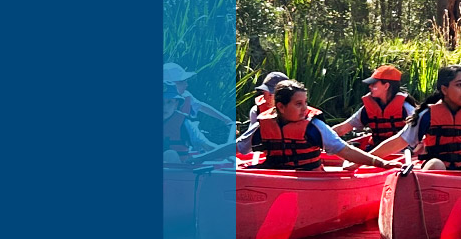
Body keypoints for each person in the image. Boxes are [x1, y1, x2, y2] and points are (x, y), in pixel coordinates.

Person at [237, 80, 399, 170]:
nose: (305, 108)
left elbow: (346, 150)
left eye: (305, 103)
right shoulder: (263, 124)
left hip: (308, 177)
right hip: (275, 174)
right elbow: (238, 148)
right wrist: (210, 158)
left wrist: (380, 163)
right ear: (280, 107)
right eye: (298, 104)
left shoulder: (314, 127)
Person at [332, 64, 415, 145]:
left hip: (402, 150)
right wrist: (322, 135)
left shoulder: (406, 107)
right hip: (377, 148)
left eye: (374, 84)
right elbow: (342, 129)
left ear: (386, 86)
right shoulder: (368, 108)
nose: (370, 86)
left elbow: (420, 130)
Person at [162, 84, 221, 163]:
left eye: (170, 102)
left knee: (170, 155)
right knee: (169, 154)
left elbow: (206, 145)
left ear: (176, 104)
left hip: (178, 171)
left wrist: (225, 154)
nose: (164, 107)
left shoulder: (185, 123)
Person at [162, 62, 227, 124]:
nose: (186, 84)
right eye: (181, 82)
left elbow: (202, 107)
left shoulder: (186, 95)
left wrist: (225, 119)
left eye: (186, 81)